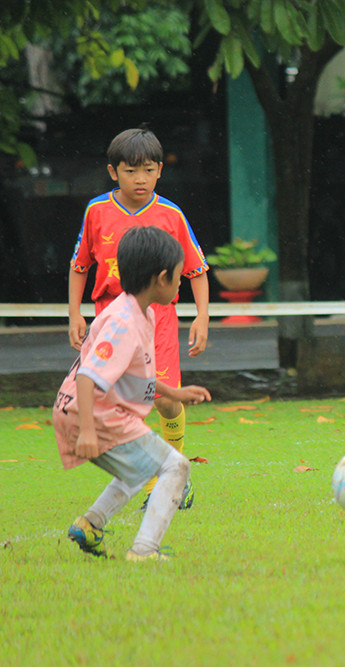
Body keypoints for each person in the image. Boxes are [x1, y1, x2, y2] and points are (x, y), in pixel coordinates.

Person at [67, 128, 210, 509]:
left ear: (160, 170)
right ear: (113, 172)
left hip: (158, 318)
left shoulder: (170, 214)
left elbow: (197, 270)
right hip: (110, 317)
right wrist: (75, 314)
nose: (140, 178)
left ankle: (175, 473)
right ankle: (155, 487)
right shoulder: (96, 211)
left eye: (148, 169)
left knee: (163, 401)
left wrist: (202, 318)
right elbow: (80, 265)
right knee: (122, 404)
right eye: (131, 171)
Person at [57, 226, 212, 561]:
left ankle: (90, 523)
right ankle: (144, 550)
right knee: (176, 466)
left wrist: (175, 392)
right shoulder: (124, 323)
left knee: (141, 467)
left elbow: (133, 377)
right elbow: (87, 377)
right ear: (160, 278)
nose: (182, 281)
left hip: (91, 411)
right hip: (92, 413)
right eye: (178, 274)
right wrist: (86, 430)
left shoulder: (144, 312)